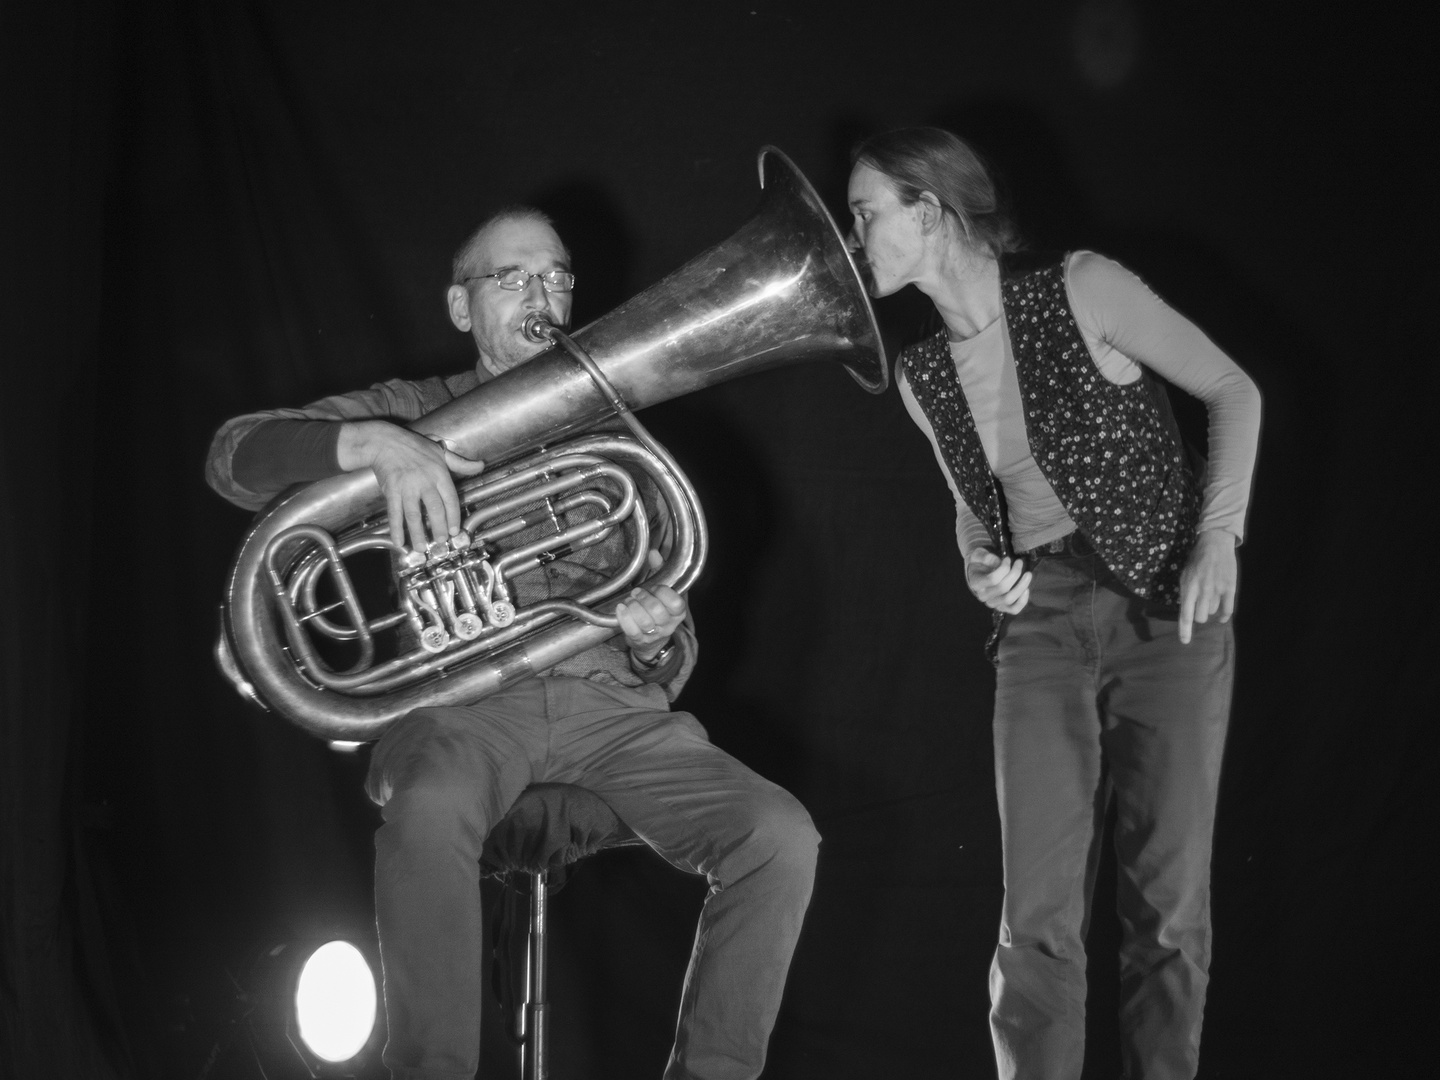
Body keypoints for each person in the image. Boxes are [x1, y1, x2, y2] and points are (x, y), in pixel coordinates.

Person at [205, 207, 818, 1080]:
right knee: (427, 812)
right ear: (462, 307)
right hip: (462, 711)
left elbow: (670, 655)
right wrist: (376, 446)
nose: (546, 295)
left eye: (560, 277)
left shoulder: (613, 433)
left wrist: (653, 637)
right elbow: (233, 457)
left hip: (613, 713)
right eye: (516, 277)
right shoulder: (411, 412)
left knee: (779, 834)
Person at [846, 128, 1261, 1080]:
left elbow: (1233, 392)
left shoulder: (1081, 285)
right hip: (1039, 623)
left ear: (931, 210)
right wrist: (977, 565)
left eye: (868, 211)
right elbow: (969, 504)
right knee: (1032, 921)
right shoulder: (920, 375)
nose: (854, 230)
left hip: (1163, 608)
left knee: (1165, 904)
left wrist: (1217, 537)